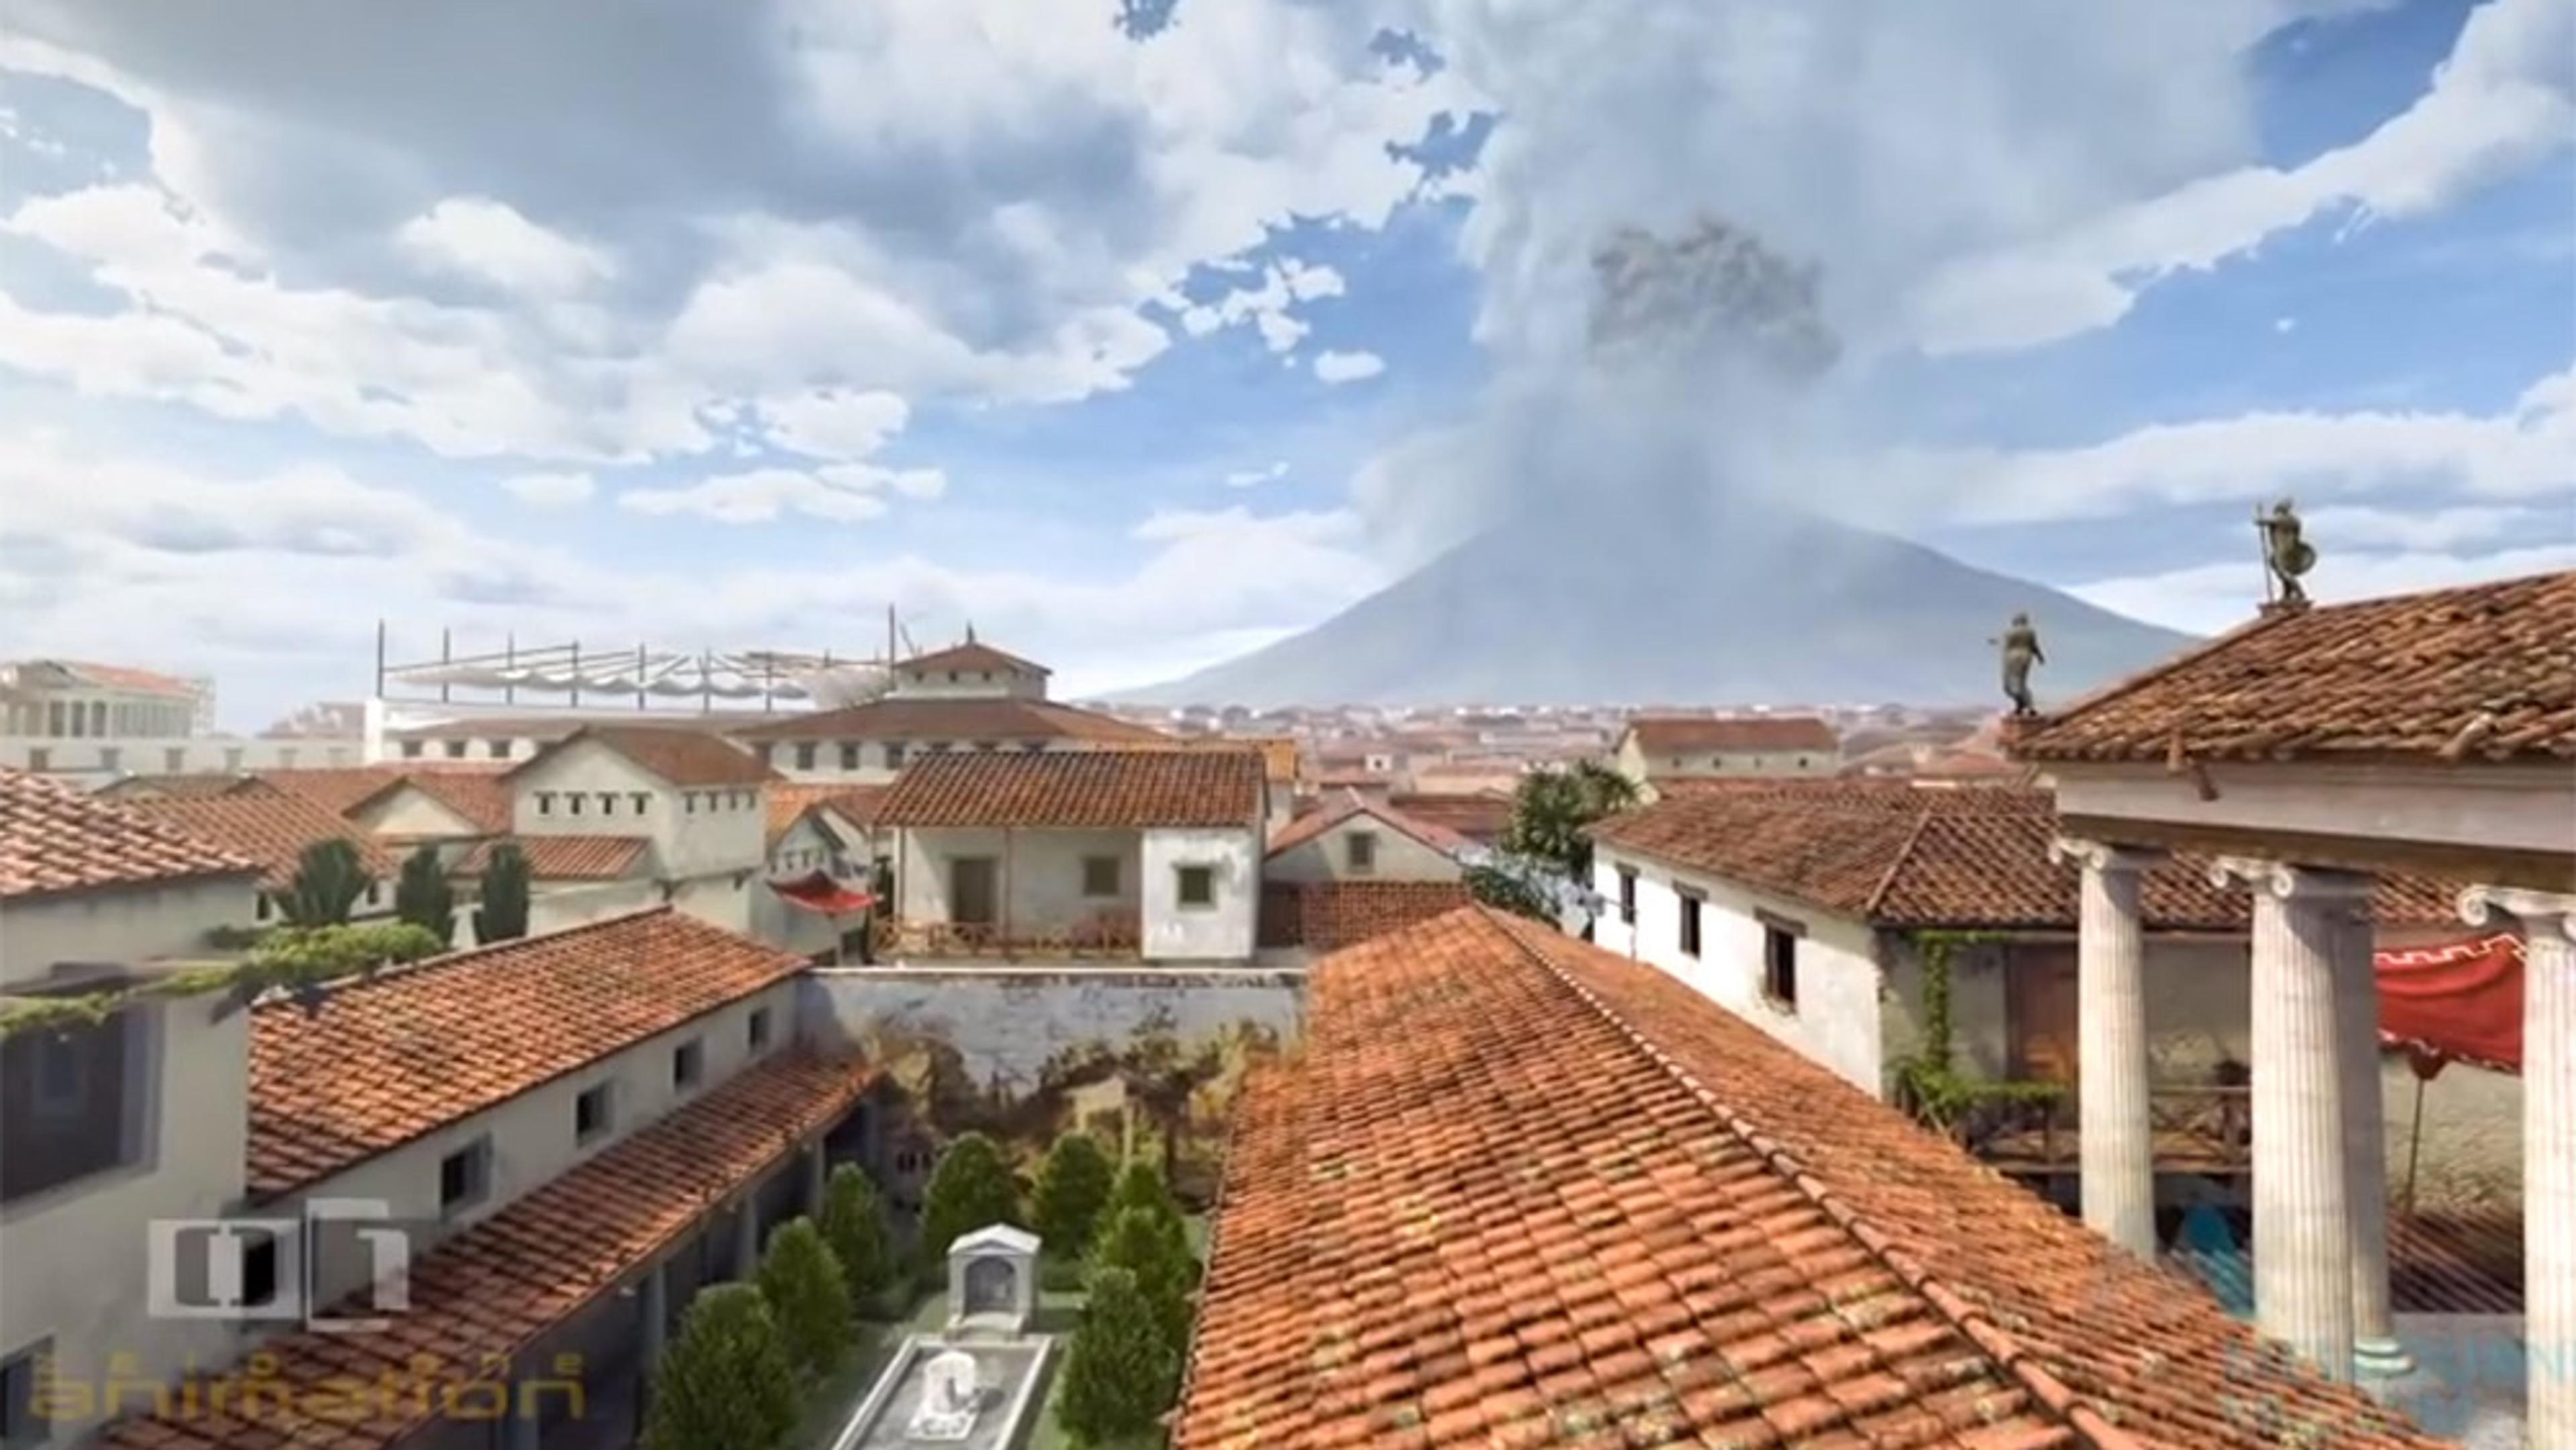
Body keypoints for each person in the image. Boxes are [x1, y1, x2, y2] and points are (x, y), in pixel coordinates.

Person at [1996, 612, 2045, 717]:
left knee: (2010, 685)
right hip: (2026, 657)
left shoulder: (2010, 632)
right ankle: (2023, 705)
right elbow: (2034, 646)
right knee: (2020, 682)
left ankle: (2028, 705)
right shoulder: (2030, 632)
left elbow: (2006, 646)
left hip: (2012, 658)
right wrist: (2040, 657)